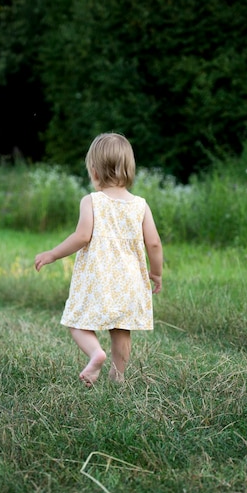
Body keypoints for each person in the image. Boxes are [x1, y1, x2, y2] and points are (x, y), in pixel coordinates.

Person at [34, 132, 163, 386]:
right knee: (121, 329)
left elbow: (82, 236)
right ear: (128, 168)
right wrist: (156, 273)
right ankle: (118, 377)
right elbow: (154, 243)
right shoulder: (140, 205)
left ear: (93, 170)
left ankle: (95, 354)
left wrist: (52, 254)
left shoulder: (92, 201)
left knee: (77, 321)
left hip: (98, 279)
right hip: (129, 283)